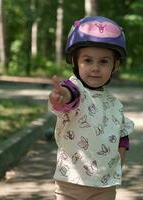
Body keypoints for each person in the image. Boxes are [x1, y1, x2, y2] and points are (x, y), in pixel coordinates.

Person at [48, 16, 135, 200]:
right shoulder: (75, 90)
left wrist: (118, 162)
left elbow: (122, 136)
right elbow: (69, 96)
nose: (95, 68)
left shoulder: (114, 103)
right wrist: (61, 96)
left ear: (115, 65)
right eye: (88, 60)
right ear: (74, 61)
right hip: (71, 182)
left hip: (105, 185)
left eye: (103, 61)